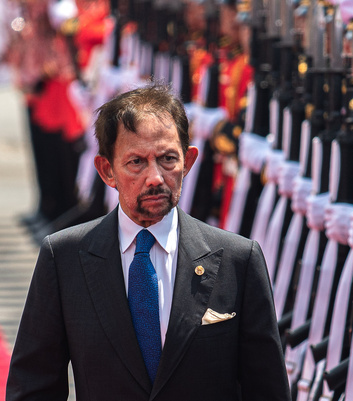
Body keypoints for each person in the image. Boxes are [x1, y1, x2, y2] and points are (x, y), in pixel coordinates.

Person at [6, 84, 291, 401]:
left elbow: (267, 391)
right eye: (136, 162)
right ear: (107, 170)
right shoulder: (65, 259)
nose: (155, 177)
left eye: (168, 159)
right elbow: (33, 387)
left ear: (189, 161)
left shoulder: (237, 260)